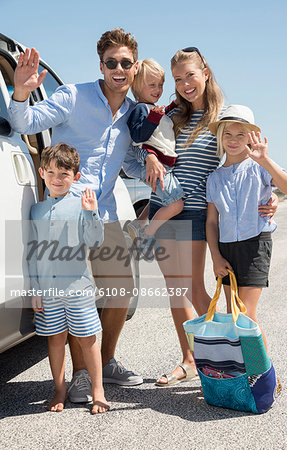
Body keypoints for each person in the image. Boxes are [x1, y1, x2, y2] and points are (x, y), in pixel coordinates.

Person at [8, 28, 143, 402]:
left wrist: (149, 159)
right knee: (72, 293)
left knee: (121, 291)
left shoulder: (132, 112)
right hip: (67, 213)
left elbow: (129, 162)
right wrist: (20, 91)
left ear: (134, 67)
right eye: (111, 62)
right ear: (101, 65)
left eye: (125, 63)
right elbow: (23, 124)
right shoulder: (72, 96)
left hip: (104, 211)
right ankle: (82, 375)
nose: (119, 68)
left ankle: (106, 359)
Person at [139, 47, 278, 386]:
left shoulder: (221, 116)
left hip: (198, 210)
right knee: (175, 290)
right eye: (178, 79)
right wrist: (148, 156)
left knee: (193, 287)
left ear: (205, 72)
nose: (185, 84)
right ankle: (190, 360)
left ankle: (225, 354)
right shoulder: (172, 115)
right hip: (163, 207)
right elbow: (144, 137)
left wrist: (269, 193)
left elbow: (243, 160)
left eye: (190, 75)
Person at [205, 105, 287, 348]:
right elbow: (212, 222)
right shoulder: (214, 178)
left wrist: (265, 159)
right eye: (228, 134)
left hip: (255, 243)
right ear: (220, 136)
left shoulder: (259, 167)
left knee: (245, 317)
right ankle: (245, 375)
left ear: (250, 137)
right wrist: (215, 257)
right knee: (234, 315)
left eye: (241, 135)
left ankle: (263, 376)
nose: (233, 140)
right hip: (226, 249)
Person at [29, 143, 109, 414]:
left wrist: (91, 211)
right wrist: (35, 289)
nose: (57, 179)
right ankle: (59, 388)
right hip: (48, 291)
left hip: (78, 288)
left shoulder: (80, 205)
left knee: (87, 338)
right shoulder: (37, 211)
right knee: (54, 339)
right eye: (51, 172)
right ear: (41, 173)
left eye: (64, 174)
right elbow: (33, 253)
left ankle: (98, 390)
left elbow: (94, 241)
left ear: (76, 177)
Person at [126, 59, 184, 254]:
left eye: (160, 85)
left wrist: (170, 107)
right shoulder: (140, 109)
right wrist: (154, 117)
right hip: (154, 165)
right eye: (152, 85)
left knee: (162, 198)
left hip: (164, 165)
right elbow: (138, 135)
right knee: (176, 204)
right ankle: (148, 232)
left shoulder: (152, 109)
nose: (158, 89)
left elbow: (160, 123)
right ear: (137, 86)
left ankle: (137, 224)